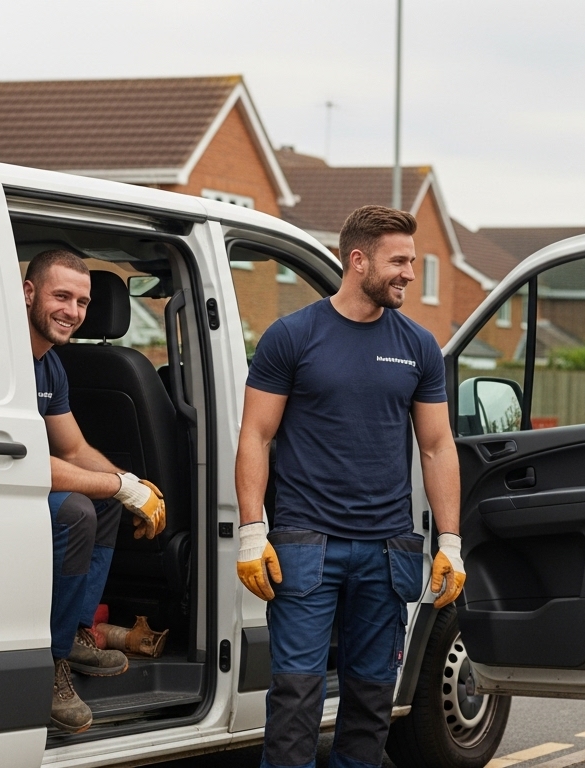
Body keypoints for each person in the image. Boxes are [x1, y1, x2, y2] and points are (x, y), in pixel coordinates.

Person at [235, 205, 466, 768]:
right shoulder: (292, 336)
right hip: (305, 546)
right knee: (295, 697)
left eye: (412, 261)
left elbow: (437, 446)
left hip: (388, 551)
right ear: (357, 260)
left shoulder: (417, 345)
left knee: (371, 701)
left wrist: (450, 542)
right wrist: (251, 531)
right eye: (400, 261)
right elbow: (256, 436)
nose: (410, 273)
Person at [25, 248, 168, 734]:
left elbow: (73, 446)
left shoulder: (51, 365)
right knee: (77, 512)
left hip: (22, 483)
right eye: (60, 296)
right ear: (28, 294)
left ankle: (81, 629)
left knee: (101, 499)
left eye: (82, 302)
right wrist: (119, 485)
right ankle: (52, 662)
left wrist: (132, 486)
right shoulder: (8, 357)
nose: (73, 311)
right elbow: (27, 461)